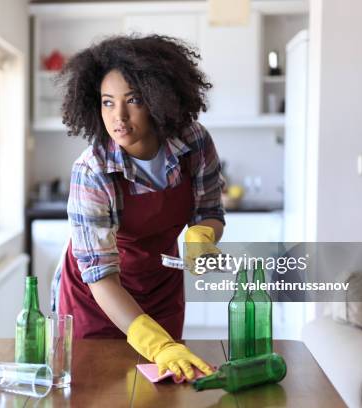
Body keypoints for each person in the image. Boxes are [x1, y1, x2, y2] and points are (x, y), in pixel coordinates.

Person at [52, 35, 225, 380]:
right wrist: (156, 344)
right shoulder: (93, 171)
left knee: (165, 389)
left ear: (158, 98)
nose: (119, 116)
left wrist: (202, 235)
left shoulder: (194, 142)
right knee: (97, 389)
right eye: (107, 102)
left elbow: (209, 211)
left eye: (133, 100)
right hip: (97, 298)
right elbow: (100, 276)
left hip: (161, 285)